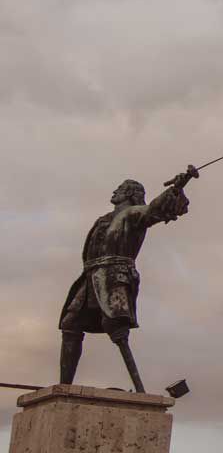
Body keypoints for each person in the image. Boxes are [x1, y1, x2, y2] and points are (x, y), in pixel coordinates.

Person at [58, 167, 198, 393]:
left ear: (131, 194)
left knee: (116, 329)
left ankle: (139, 390)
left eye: (121, 189)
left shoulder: (135, 214)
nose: (115, 191)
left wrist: (178, 186)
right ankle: (63, 387)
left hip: (114, 276)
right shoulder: (104, 219)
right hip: (91, 276)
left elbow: (154, 209)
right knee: (70, 325)